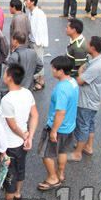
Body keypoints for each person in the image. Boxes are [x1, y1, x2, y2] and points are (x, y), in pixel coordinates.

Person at [0, 63, 39, 200]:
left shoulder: (7, 100)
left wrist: (24, 135)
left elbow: (12, 125)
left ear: (9, 78)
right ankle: (17, 192)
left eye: (5, 74)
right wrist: (30, 136)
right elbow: (35, 115)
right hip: (22, 142)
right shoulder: (27, 93)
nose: (3, 76)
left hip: (11, 143)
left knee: (10, 174)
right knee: (20, 168)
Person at [36, 56, 78, 191]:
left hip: (59, 126)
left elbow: (60, 112)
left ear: (61, 71)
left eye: (54, 68)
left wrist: (53, 130)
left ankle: (53, 178)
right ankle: (60, 173)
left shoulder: (61, 89)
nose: (52, 70)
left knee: (46, 153)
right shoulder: (73, 82)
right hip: (69, 126)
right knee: (63, 150)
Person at [69, 36, 101, 161]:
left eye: (89, 44)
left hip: (87, 101)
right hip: (94, 99)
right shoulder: (100, 60)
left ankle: (77, 153)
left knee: (82, 125)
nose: (86, 46)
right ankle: (88, 146)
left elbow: (81, 80)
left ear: (93, 48)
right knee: (90, 123)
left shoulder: (97, 66)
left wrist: (81, 74)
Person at [26, 0, 49, 91]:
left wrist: (39, 43)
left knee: (39, 60)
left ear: (32, 2)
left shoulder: (39, 14)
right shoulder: (30, 12)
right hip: (32, 40)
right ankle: (35, 76)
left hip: (37, 42)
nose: (25, 3)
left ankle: (41, 81)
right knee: (34, 60)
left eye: (27, 1)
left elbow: (40, 29)